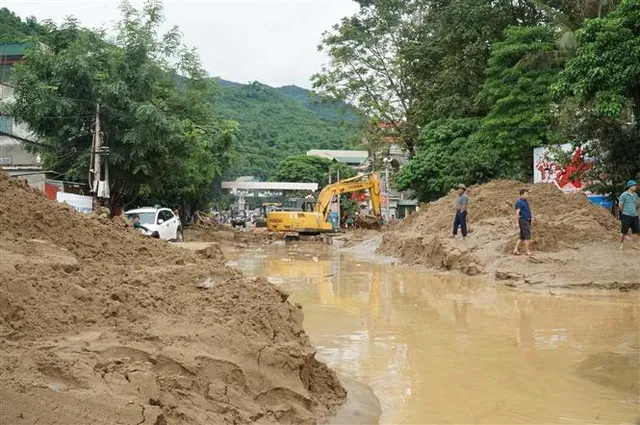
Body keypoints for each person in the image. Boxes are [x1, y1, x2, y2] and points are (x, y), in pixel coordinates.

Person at [618, 179, 639, 250]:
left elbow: (635, 204)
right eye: (634, 185)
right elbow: (620, 206)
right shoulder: (623, 195)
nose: (635, 187)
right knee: (624, 231)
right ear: (630, 186)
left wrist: (634, 210)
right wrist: (625, 212)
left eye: (635, 185)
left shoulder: (635, 195)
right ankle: (621, 244)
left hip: (635, 215)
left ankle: (634, 245)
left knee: (637, 231)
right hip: (626, 215)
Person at [513, 188, 534, 256]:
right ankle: (527, 251)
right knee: (527, 236)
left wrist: (530, 220)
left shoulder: (526, 202)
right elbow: (517, 213)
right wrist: (516, 223)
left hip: (527, 220)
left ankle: (515, 250)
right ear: (521, 195)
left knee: (521, 237)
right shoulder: (519, 203)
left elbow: (528, 211)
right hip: (523, 221)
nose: (527, 195)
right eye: (526, 194)